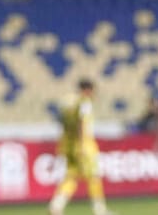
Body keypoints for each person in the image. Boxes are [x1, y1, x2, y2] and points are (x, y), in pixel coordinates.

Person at [49, 78, 112, 215]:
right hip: (84, 145)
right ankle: (99, 210)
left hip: (68, 144)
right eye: (93, 91)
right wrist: (83, 145)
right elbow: (82, 123)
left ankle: (56, 205)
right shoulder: (84, 103)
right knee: (94, 176)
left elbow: (61, 122)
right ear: (87, 90)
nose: (94, 95)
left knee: (71, 176)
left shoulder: (66, 102)